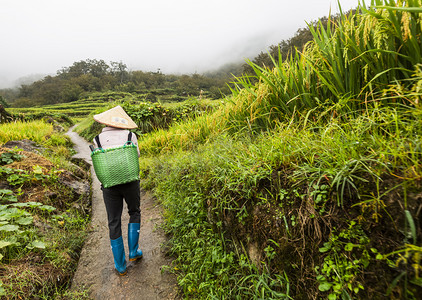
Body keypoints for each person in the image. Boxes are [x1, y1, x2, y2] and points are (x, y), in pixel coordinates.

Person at [91, 105, 143, 276]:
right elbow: (136, 156)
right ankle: (133, 253)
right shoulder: (130, 135)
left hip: (109, 185)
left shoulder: (97, 139)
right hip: (130, 181)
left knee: (113, 221)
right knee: (134, 212)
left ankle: (120, 266)